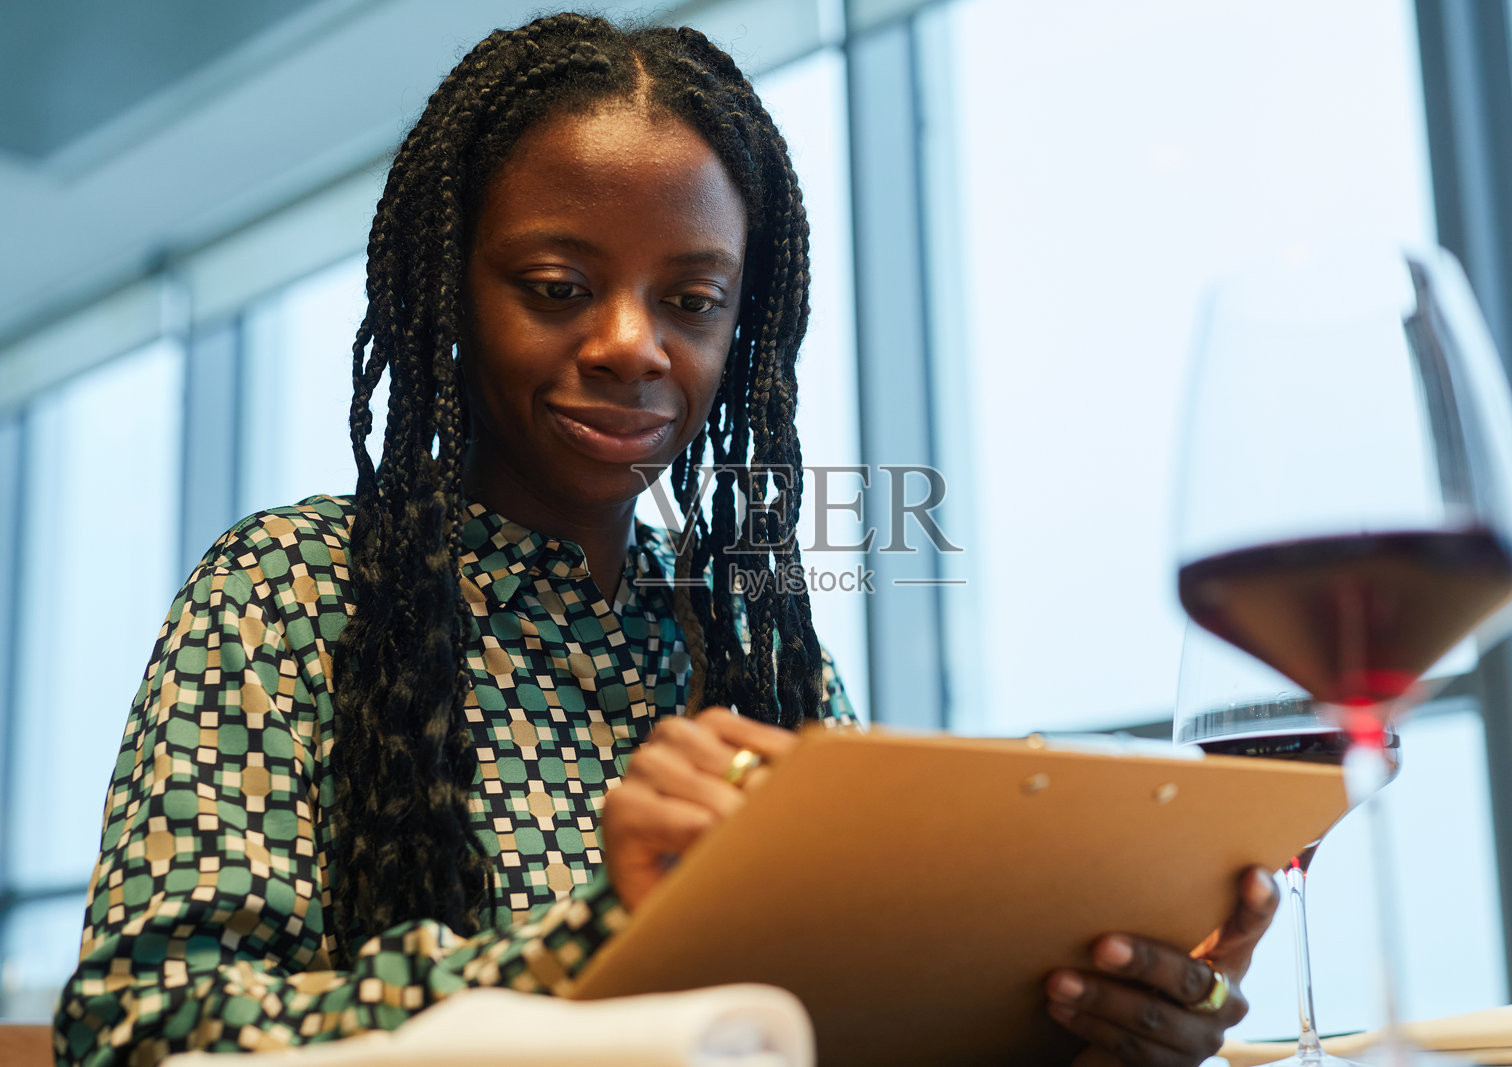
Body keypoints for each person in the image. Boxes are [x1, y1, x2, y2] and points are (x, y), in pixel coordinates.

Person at [53, 13, 1274, 1066]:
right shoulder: (291, 585)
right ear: (446, 297)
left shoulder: (751, 639)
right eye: (556, 283)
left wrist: (1082, 1023)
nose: (634, 343)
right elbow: (146, 1031)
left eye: (691, 301)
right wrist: (605, 925)